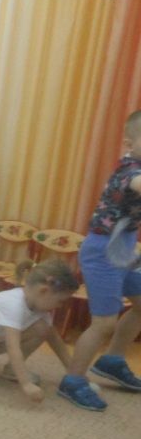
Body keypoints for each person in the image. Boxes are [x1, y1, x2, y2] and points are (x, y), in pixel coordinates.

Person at [57, 110, 141, 411]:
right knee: (104, 322)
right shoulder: (129, 171)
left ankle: (112, 361)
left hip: (125, 248)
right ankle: (73, 380)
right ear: (129, 143)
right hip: (103, 252)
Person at [0, 259, 78, 400]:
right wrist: (26, 384)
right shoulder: (13, 304)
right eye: (60, 301)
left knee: (43, 328)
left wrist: (74, 373)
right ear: (43, 291)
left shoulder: (38, 305)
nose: (61, 306)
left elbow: (55, 339)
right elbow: (12, 346)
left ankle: (12, 370)